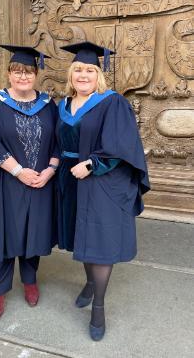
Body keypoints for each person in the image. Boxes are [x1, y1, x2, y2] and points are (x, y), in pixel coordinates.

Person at [56, 41, 150, 341]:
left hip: (101, 181)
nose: (83, 75)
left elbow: (121, 145)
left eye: (89, 70)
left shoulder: (112, 103)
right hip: (71, 180)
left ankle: (98, 306)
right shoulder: (63, 104)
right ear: (71, 75)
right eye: (78, 70)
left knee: (101, 240)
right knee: (81, 235)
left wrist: (93, 164)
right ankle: (88, 283)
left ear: (99, 75)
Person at [0, 44, 59, 322]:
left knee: (32, 233)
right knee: (4, 234)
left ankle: (30, 279)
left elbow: (59, 142)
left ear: (36, 74)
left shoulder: (48, 105)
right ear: (9, 73)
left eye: (28, 72)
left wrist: (49, 170)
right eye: (17, 71)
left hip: (39, 183)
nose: (22, 77)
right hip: (7, 182)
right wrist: (18, 171)